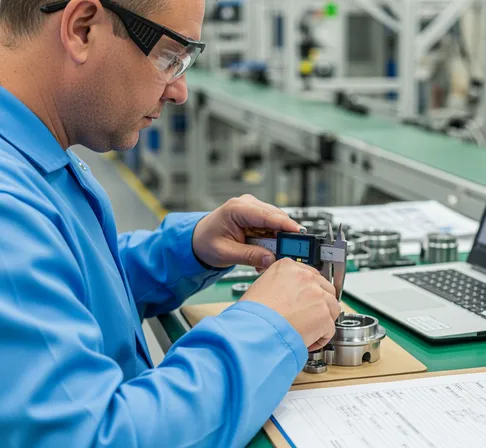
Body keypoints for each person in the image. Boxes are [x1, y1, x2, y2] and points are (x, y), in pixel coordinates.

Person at [0, 0, 341, 446]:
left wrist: (190, 248)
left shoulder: (33, 157)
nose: (179, 90)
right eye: (170, 56)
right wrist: (270, 327)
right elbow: (94, 437)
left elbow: (63, 281)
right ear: (82, 28)